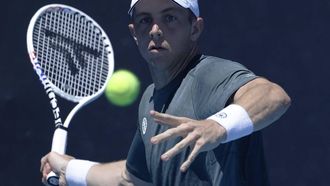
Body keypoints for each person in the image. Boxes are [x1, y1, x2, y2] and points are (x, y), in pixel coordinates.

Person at [40, 0, 291, 185]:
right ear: (134, 33)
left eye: (169, 18)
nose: (155, 30)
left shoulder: (208, 75)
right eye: (145, 20)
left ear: (195, 28)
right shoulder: (150, 100)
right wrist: (69, 169)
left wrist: (216, 126)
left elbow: (273, 96)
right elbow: (131, 178)